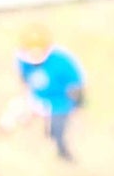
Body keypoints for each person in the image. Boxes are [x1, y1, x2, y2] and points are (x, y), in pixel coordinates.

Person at [13, 25, 84, 163]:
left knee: (58, 130)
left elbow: (76, 85)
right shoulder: (21, 60)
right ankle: (40, 146)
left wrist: (77, 105)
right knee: (19, 115)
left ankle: (64, 155)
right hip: (39, 98)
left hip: (61, 101)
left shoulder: (63, 61)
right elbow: (24, 80)